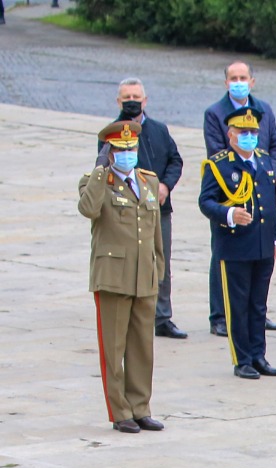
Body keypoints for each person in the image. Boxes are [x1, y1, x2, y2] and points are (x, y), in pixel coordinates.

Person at [78, 121, 165, 434]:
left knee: (142, 347)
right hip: (113, 276)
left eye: (131, 149)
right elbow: (88, 209)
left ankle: (141, 407)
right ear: (109, 152)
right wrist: (101, 170)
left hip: (144, 275)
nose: (127, 154)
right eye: (119, 149)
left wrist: (159, 269)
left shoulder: (149, 181)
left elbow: (155, 232)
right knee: (113, 350)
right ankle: (120, 411)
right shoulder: (95, 182)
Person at [199, 106, 276, 380]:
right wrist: (229, 214)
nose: (248, 136)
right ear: (230, 134)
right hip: (235, 245)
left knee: (259, 304)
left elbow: (271, 203)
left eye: (253, 132)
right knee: (238, 304)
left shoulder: (264, 160)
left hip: (262, 243)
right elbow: (206, 201)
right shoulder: (219, 164)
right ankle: (242, 359)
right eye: (242, 132)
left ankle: (259, 356)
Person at [204, 62, 276, 337]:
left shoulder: (265, 109)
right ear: (226, 83)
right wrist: (240, 178)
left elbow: (275, 145)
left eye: (243, 78)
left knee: (259, 261)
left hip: (260, 184)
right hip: (231, 193)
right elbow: (216, 151)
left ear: (252, 81)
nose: (239, 82)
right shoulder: (215, 113)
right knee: (225, 257)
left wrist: (266, 174)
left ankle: (256, 314)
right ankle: (219, 314)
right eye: (233, 78)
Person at [102, 78, 186, 339]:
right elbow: (105, 169)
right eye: (126, 97)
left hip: (159, 209)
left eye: (136, 96)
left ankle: (162, 316)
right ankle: (131, 313)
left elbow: (175, 160)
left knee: (161, 262)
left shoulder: (160, 130)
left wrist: (165, 186)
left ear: (145, 100)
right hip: (126, 212)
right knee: (128, 262)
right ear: (118, 101)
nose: (131, 101)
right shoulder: (110, 134)